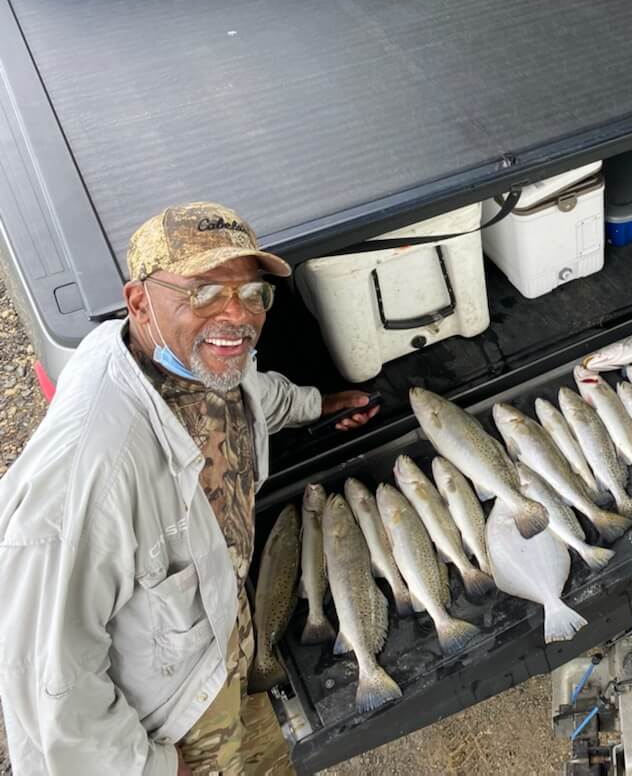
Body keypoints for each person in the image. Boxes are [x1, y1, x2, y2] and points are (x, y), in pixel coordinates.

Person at [0, 202, 380, 775]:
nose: (238, 315)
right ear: (138, 302)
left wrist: (317, 405)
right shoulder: (88, 470)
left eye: (253, 294)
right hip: (170, 719)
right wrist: (148, 768)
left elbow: (253, 393)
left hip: (218, 637)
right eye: (204, 291)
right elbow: (47, 684)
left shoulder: (204, 353)